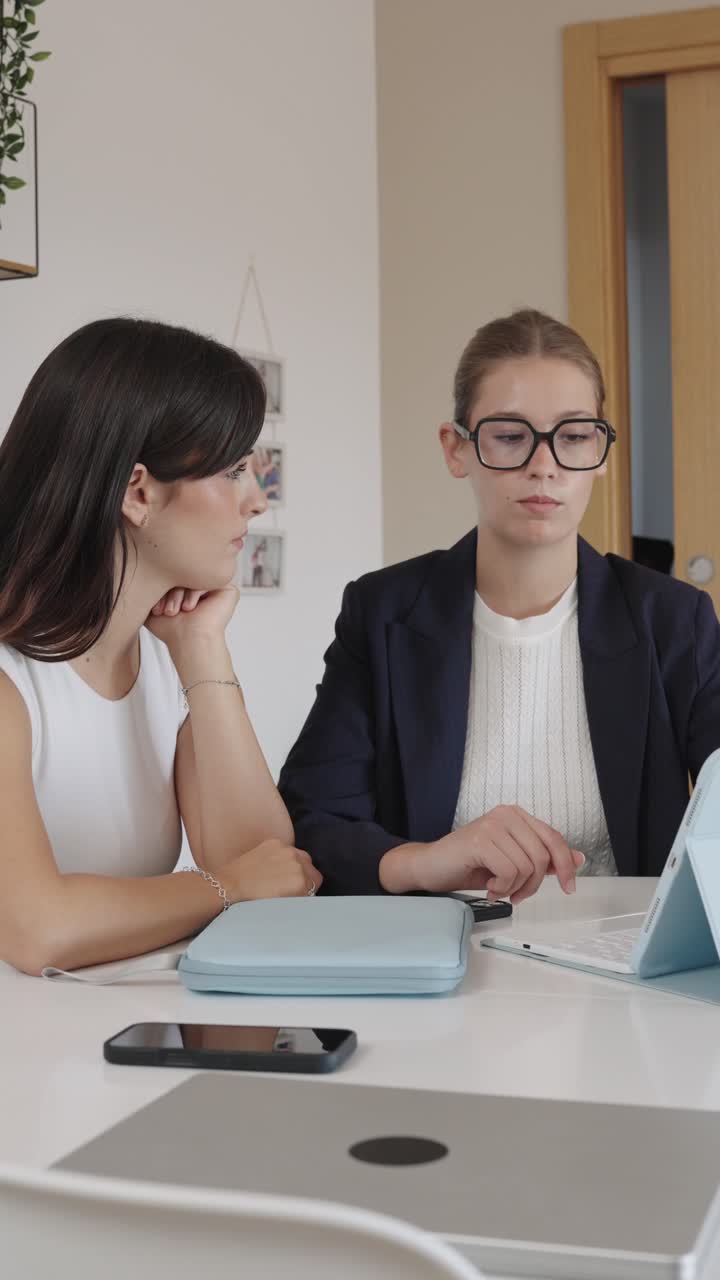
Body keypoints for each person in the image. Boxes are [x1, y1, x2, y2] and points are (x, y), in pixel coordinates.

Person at [279, 308, 720, 903]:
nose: (544, 465)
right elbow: (314, 822)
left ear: (602, 449)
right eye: (511, 437)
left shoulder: (675, 621)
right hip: (438, 960)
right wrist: (424, 861)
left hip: (626, 962)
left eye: (574, 436)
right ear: (457, 449)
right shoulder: (382, 613)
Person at [0, 318, 321, 977]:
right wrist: (226, 888)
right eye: (234, 471)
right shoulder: (11, 684)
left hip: (107, 1044)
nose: (257, 501)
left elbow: (269, 863)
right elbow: (37, 930)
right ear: (139, 492)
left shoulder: (159, 666)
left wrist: (202, 650)